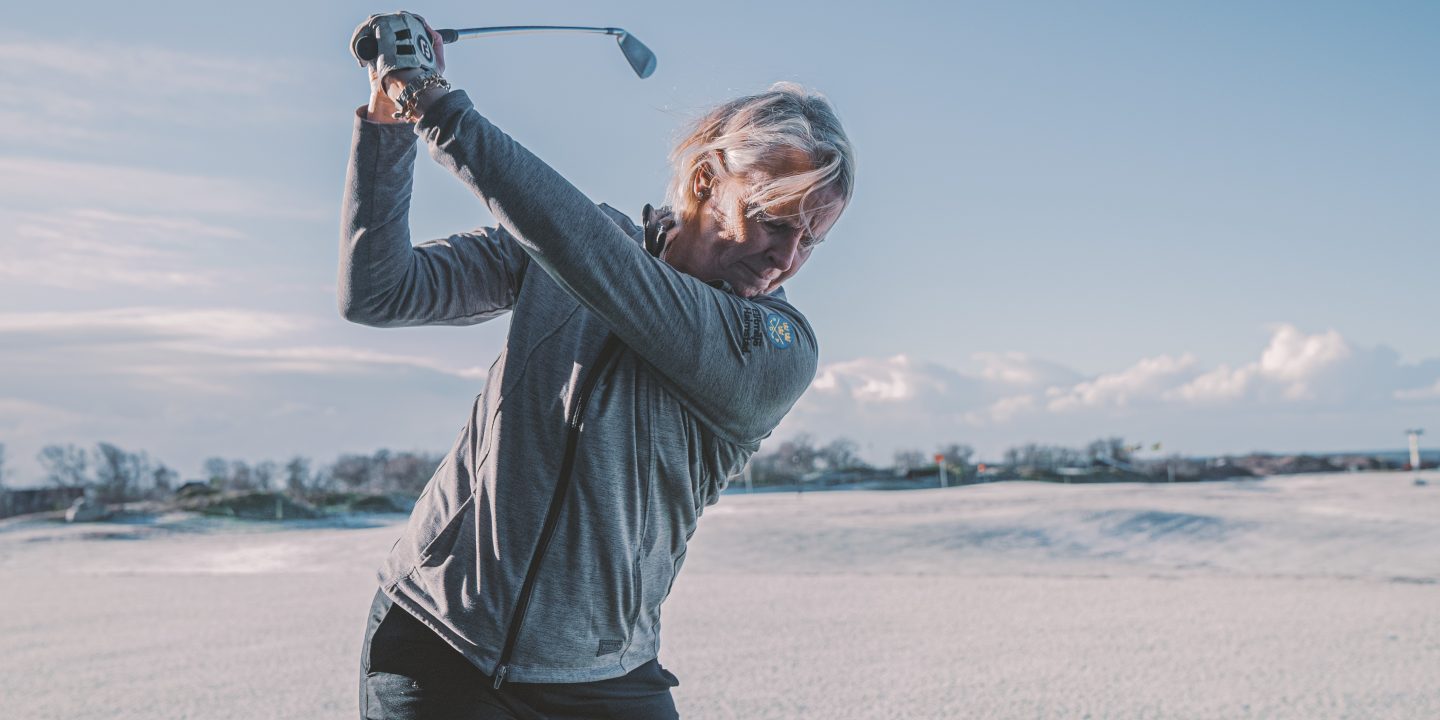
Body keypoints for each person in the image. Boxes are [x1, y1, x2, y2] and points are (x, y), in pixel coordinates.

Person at [342, 15, 855, 719]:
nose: (786, 258)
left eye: (811, 239)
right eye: (772, 219)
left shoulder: (775, 347)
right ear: (706, 179)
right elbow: (379, 290)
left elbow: (607, 269)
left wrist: (434, 103)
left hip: (607, 677)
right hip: (437, 644)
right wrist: (389, 116)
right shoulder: (571, 244)